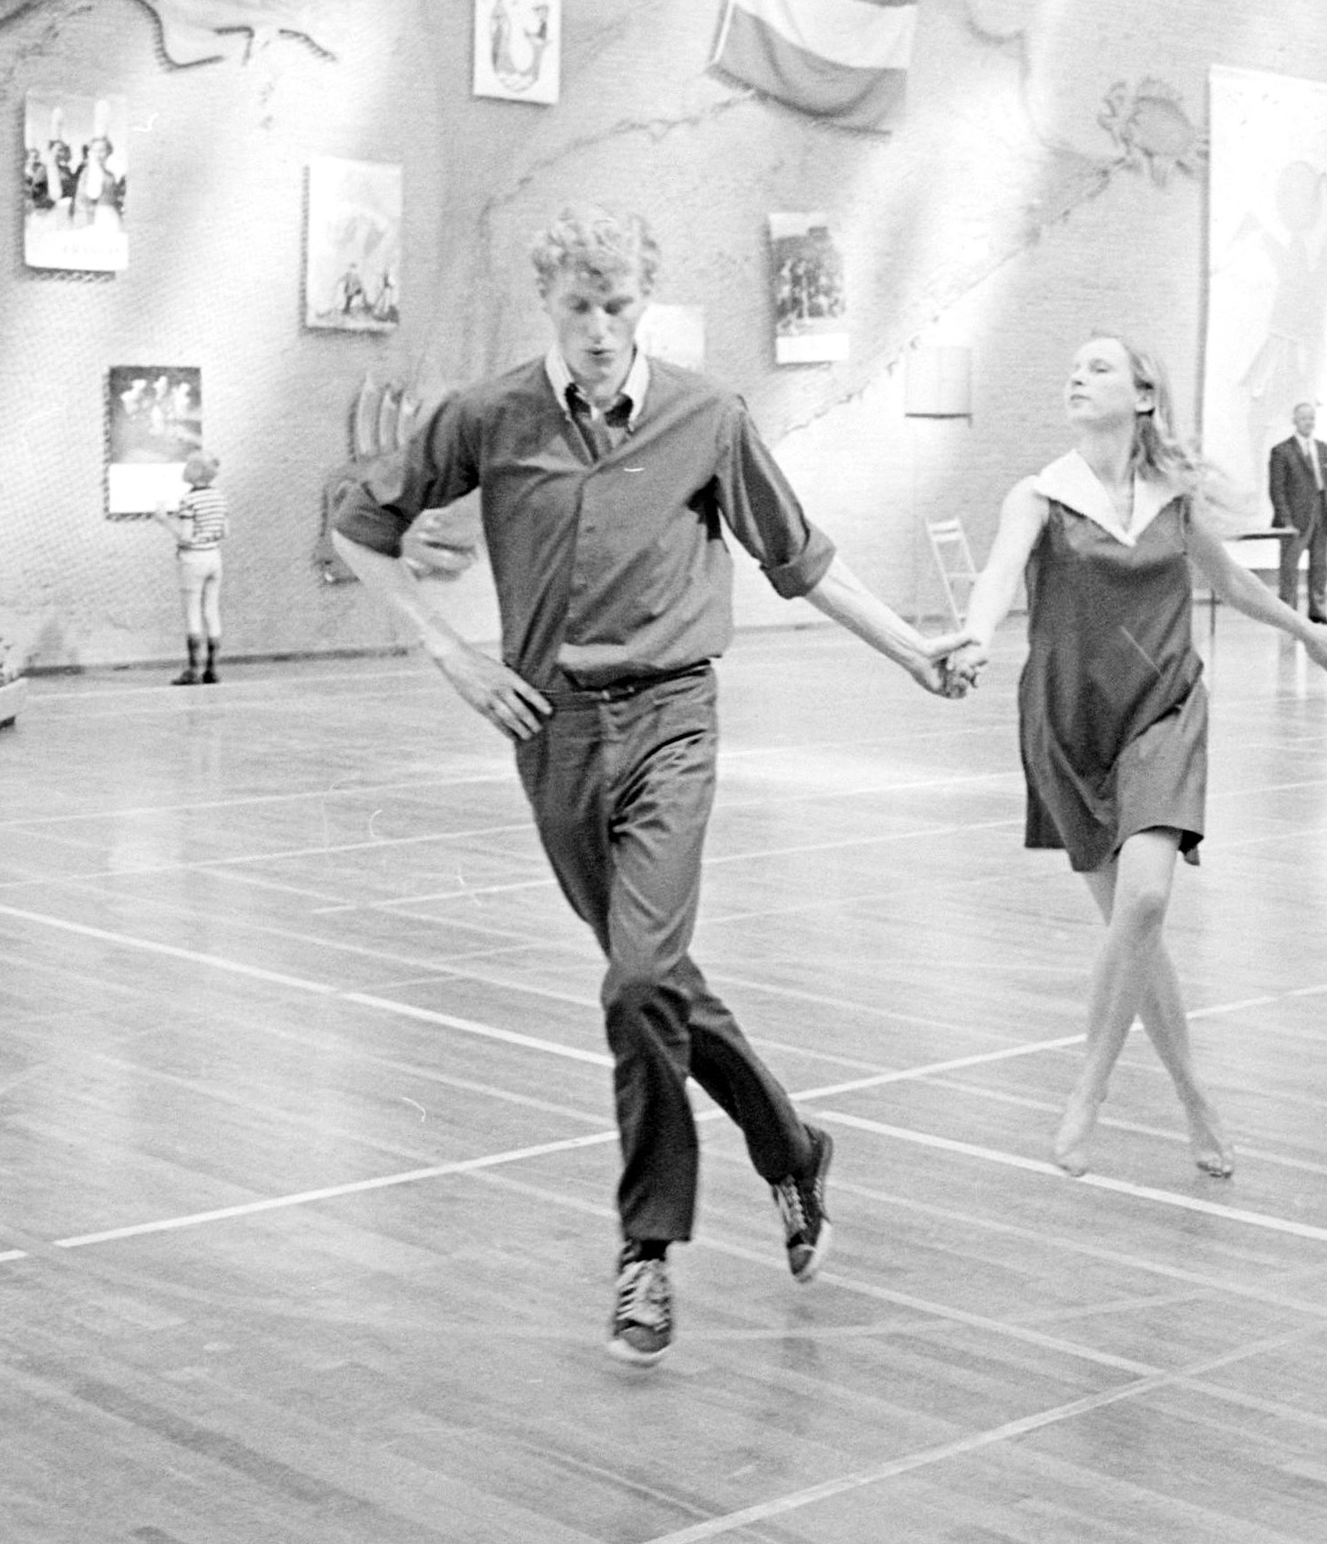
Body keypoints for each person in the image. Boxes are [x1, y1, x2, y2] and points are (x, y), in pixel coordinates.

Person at [327, 204, 968, 1367]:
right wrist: (453, 654)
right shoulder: (488, 417)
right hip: (553, 734)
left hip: (674, 719)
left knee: (635, 985)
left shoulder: (705, 417)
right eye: (578, 305)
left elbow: (805, 562)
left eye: (617, 303)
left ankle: (645, 1254)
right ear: (550, 307)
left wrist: (915, 653)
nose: (599, 327)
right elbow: (357, 523)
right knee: (657, 981)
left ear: (645, 300)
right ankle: (793, 1149)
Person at [944, 336, 1327, 1178]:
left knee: (1147, 899)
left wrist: (1308, 631)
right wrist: (976, 637)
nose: (1077, 374)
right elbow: (996, 575)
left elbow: (1232, 584)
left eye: (1097, 365)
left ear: (1141, 395)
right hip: (1068, 721)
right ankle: (1194, 1097)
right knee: (1135, 926)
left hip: (1163, 709)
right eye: (1074, 365)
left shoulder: (1173, 497)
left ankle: (1086, 1090)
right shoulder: (1038, 495)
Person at [149, 451, 229, 684]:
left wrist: (164, 520)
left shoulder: (189, 500)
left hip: (193, 559)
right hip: (214, 556)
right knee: (211, 611)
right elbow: (225, 531)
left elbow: (185, 537)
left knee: (192, 611)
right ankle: (212, 669)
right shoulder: (220, 497)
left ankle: (194, 670)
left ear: (195, 471)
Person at [1265, 400, 1327, 624]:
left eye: (1311, 418)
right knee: (1290, 567)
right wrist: (1286, 520)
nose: (1308, 422)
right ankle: (1288, 612)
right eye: (1303, 418)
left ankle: (1318, 610)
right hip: (1295, 519)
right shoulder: (1282, 451)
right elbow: (1276, 489)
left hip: (1321, 513)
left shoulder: (1324, 448)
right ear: (1294, 421)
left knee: (1320, 565)